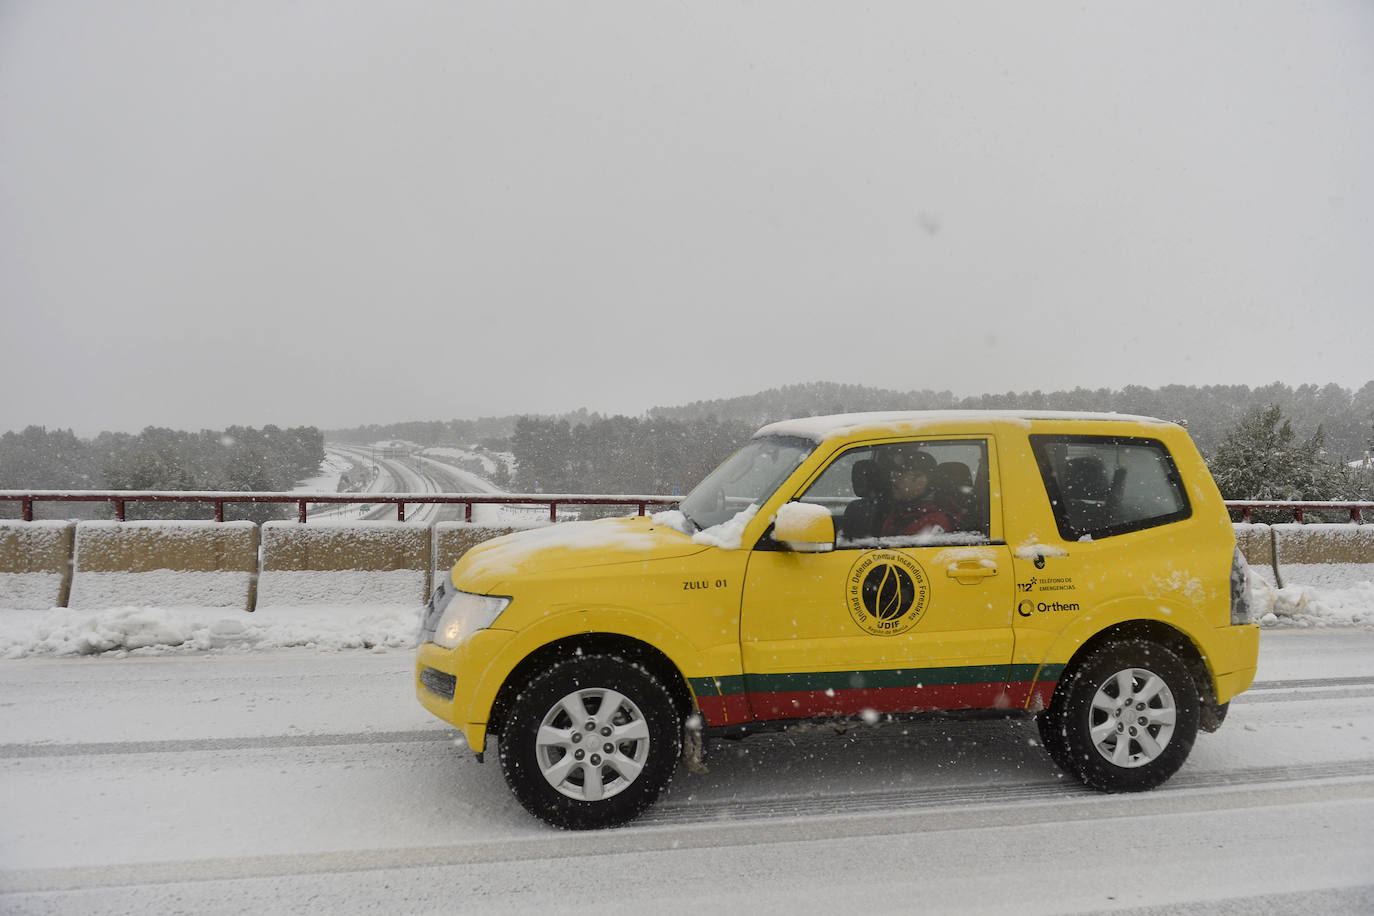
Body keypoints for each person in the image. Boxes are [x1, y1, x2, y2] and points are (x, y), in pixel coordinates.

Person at [874, 446, 954, 538]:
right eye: (893, 474)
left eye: (899, 475)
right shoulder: (901, 510)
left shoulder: (936, 523)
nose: (893, 480)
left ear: (921, 482)